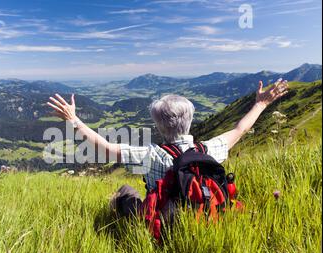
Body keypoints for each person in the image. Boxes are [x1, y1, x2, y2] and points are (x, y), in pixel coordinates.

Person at [47, 79, 289, 218]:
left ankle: (120, 212)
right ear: (190, 120)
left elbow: (107, 148)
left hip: (164, 223)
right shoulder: (207, 150)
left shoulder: (152, 155)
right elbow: (240, 129)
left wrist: (73, 119)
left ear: (159, 126)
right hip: (202, 217)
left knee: (125, 191)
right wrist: (261, 103)